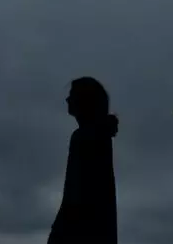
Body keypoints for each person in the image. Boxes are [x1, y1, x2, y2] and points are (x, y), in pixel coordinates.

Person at [48, 77, 119, 244]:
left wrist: (57, 236)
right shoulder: (101, 136)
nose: (67, 99)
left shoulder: (83, 138)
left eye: (72, 95)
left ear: (84, 100)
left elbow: (73, 195)